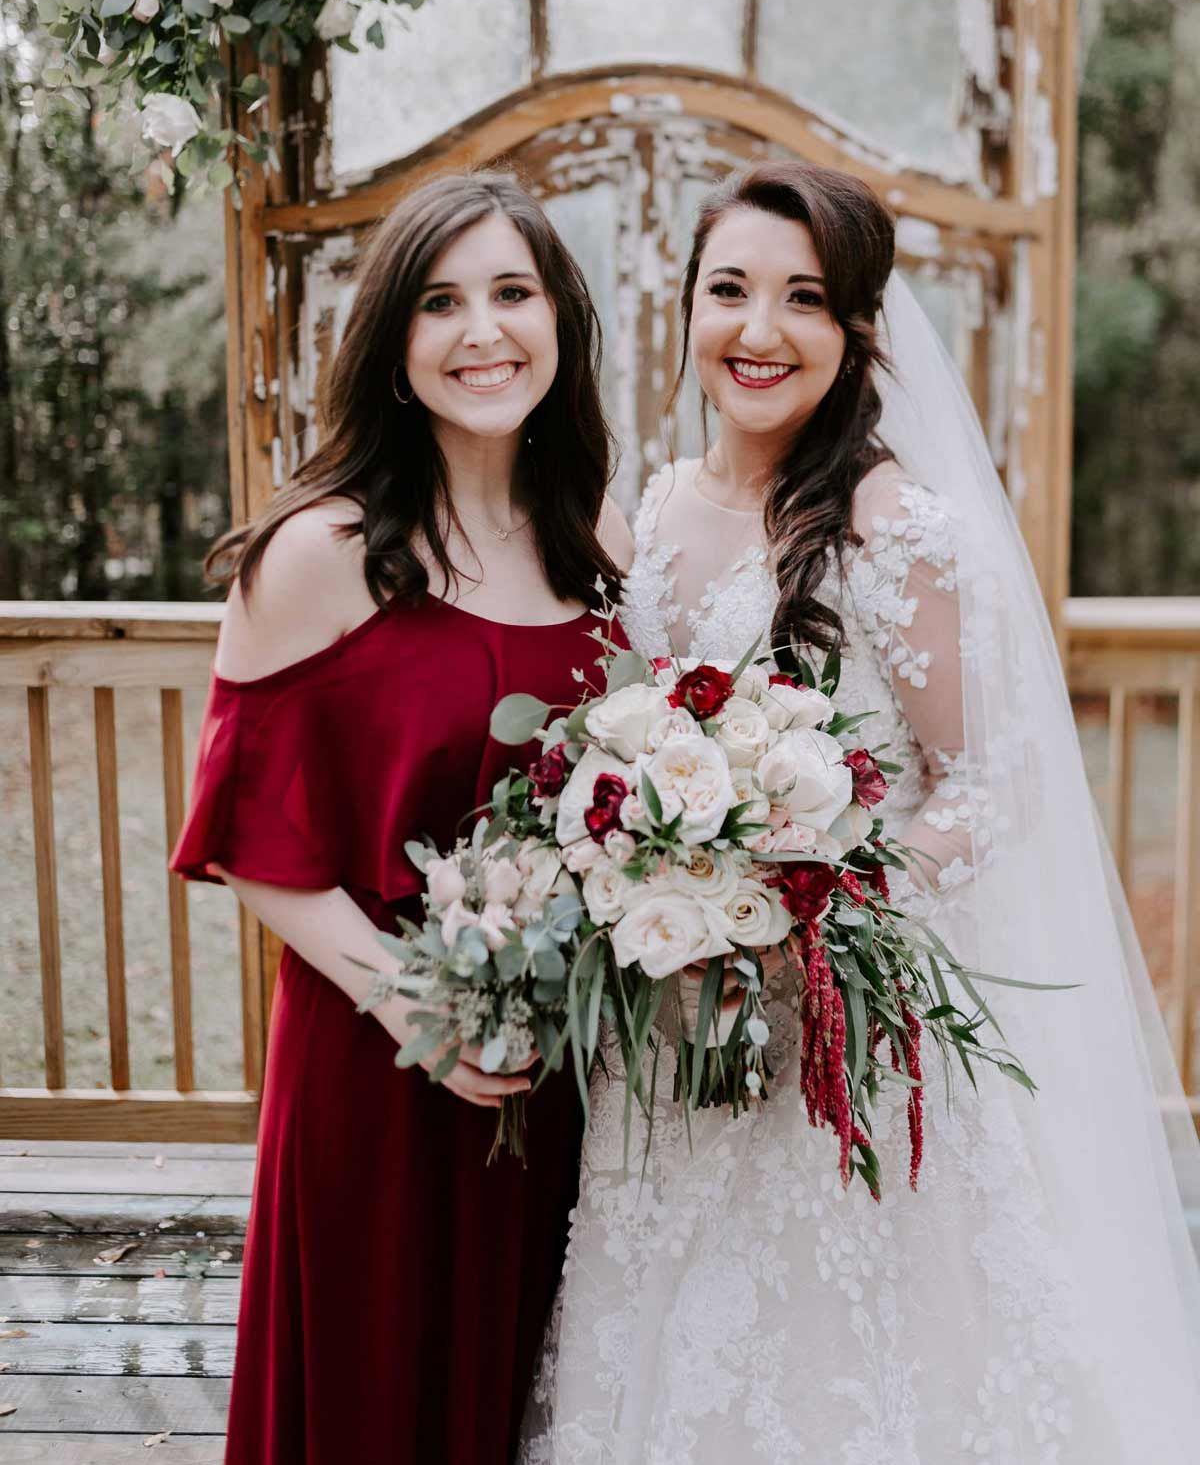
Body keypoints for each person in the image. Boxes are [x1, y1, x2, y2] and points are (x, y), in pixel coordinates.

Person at [521, 162, 1200, 1463]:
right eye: (730, 290)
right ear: (688, 306)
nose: (759, 330)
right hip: (672, 1032)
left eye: (805, 299)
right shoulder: (651, 506)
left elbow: (986, 786)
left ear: (856, 330)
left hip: (844, 1038)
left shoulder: (898, 532)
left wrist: (822, 907)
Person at [171, 171, 633, 1465]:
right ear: (393, 339)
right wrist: (414, 1006)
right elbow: (251, 841)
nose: (482, 331)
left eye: (512, 292)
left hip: (558, 1071)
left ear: (560, 319)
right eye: (440, 301)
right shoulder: (318, 550)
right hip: (373, 1055)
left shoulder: (597, 534)